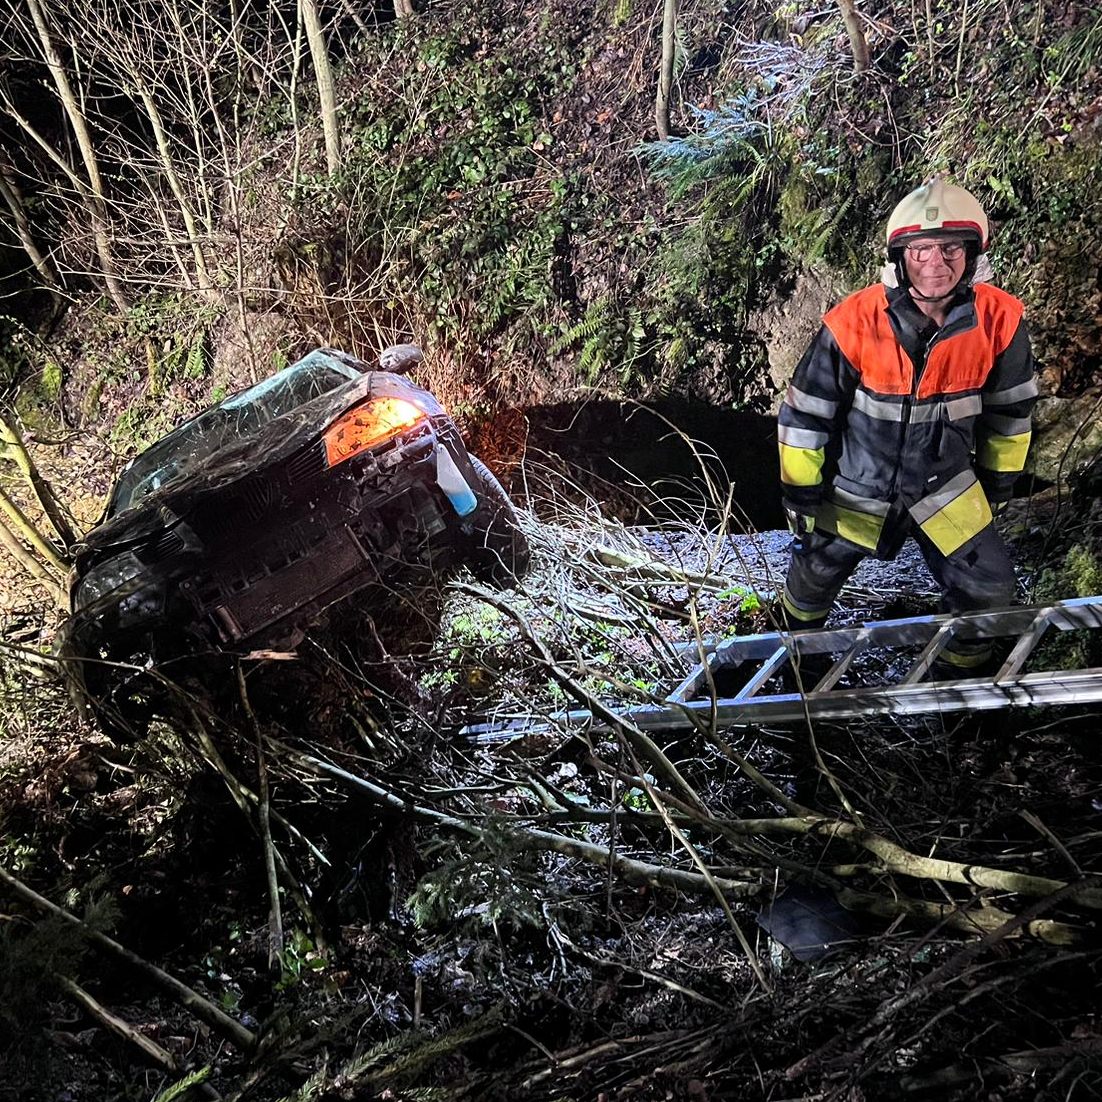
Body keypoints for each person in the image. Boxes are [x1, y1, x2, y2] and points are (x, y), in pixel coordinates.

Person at [776, 177, 1038, 672]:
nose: (935, 264)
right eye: (920, 251)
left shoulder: (1000, 318)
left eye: (949, 249)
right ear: (900, 258)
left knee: (989, 588)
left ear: (972, 253)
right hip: (858, 485)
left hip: (946, 485)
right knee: (812, 578)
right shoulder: (854, 321)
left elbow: (1011, 412)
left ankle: (957, 690)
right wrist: (801, 495)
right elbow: (805, 414)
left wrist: (999, 485)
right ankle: (797, 659)